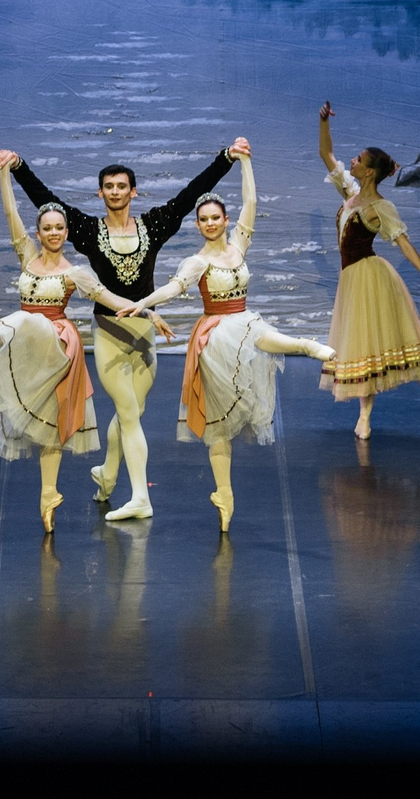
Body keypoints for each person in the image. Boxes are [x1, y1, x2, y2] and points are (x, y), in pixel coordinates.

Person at [0, 152, 166, 535]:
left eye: (59, 228)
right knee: (36, 412)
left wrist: (147, 311)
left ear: (66, 233)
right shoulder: (27, 256)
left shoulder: (76, 272)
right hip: (27, 342)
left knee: (51, 420)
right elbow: (10, 215)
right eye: (47, 228)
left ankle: (48, 492)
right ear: (38, 233)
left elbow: (109, 298)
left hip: (56, 341)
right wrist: (5, 174)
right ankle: (53, 493)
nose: (54, 233)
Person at [10, 141, 239, 521]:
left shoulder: (153, 225)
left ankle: (108, 472)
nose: (115, 192)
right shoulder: (86, 229)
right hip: (108, 330)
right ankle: (139, 498)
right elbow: (43, 198)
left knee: (135, 410)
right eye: (109, 187)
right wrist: (18, 165)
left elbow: (189, 196)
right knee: (129, 412)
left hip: (144, 332)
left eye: (122, 186)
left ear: (133, 191)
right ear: (100, 193)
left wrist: (226, 159)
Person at [128, 143, 336, 532]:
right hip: (216, 335)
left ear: (225, 220)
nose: (209, 223)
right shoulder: (198, 261)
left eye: (215, 218)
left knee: (260, 334)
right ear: (198, 225)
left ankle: (306, 345)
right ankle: (224, 493)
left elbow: (251, 201)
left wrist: (245, 163)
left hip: (243, 320)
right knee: (218, 424)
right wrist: (142, 304)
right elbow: (174, 288)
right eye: (203, 219)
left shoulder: (239, 245)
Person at [315, 102, 420, 441]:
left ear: (370, 172)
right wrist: (323, 122)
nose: (352, 162)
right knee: (365, 350)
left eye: (358, 160)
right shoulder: (350, 193)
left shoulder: (380, 207)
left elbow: (402, 241)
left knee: (406, 342)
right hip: (352, 281)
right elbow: (326, 154)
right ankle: (364, 417)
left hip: (371, 277)